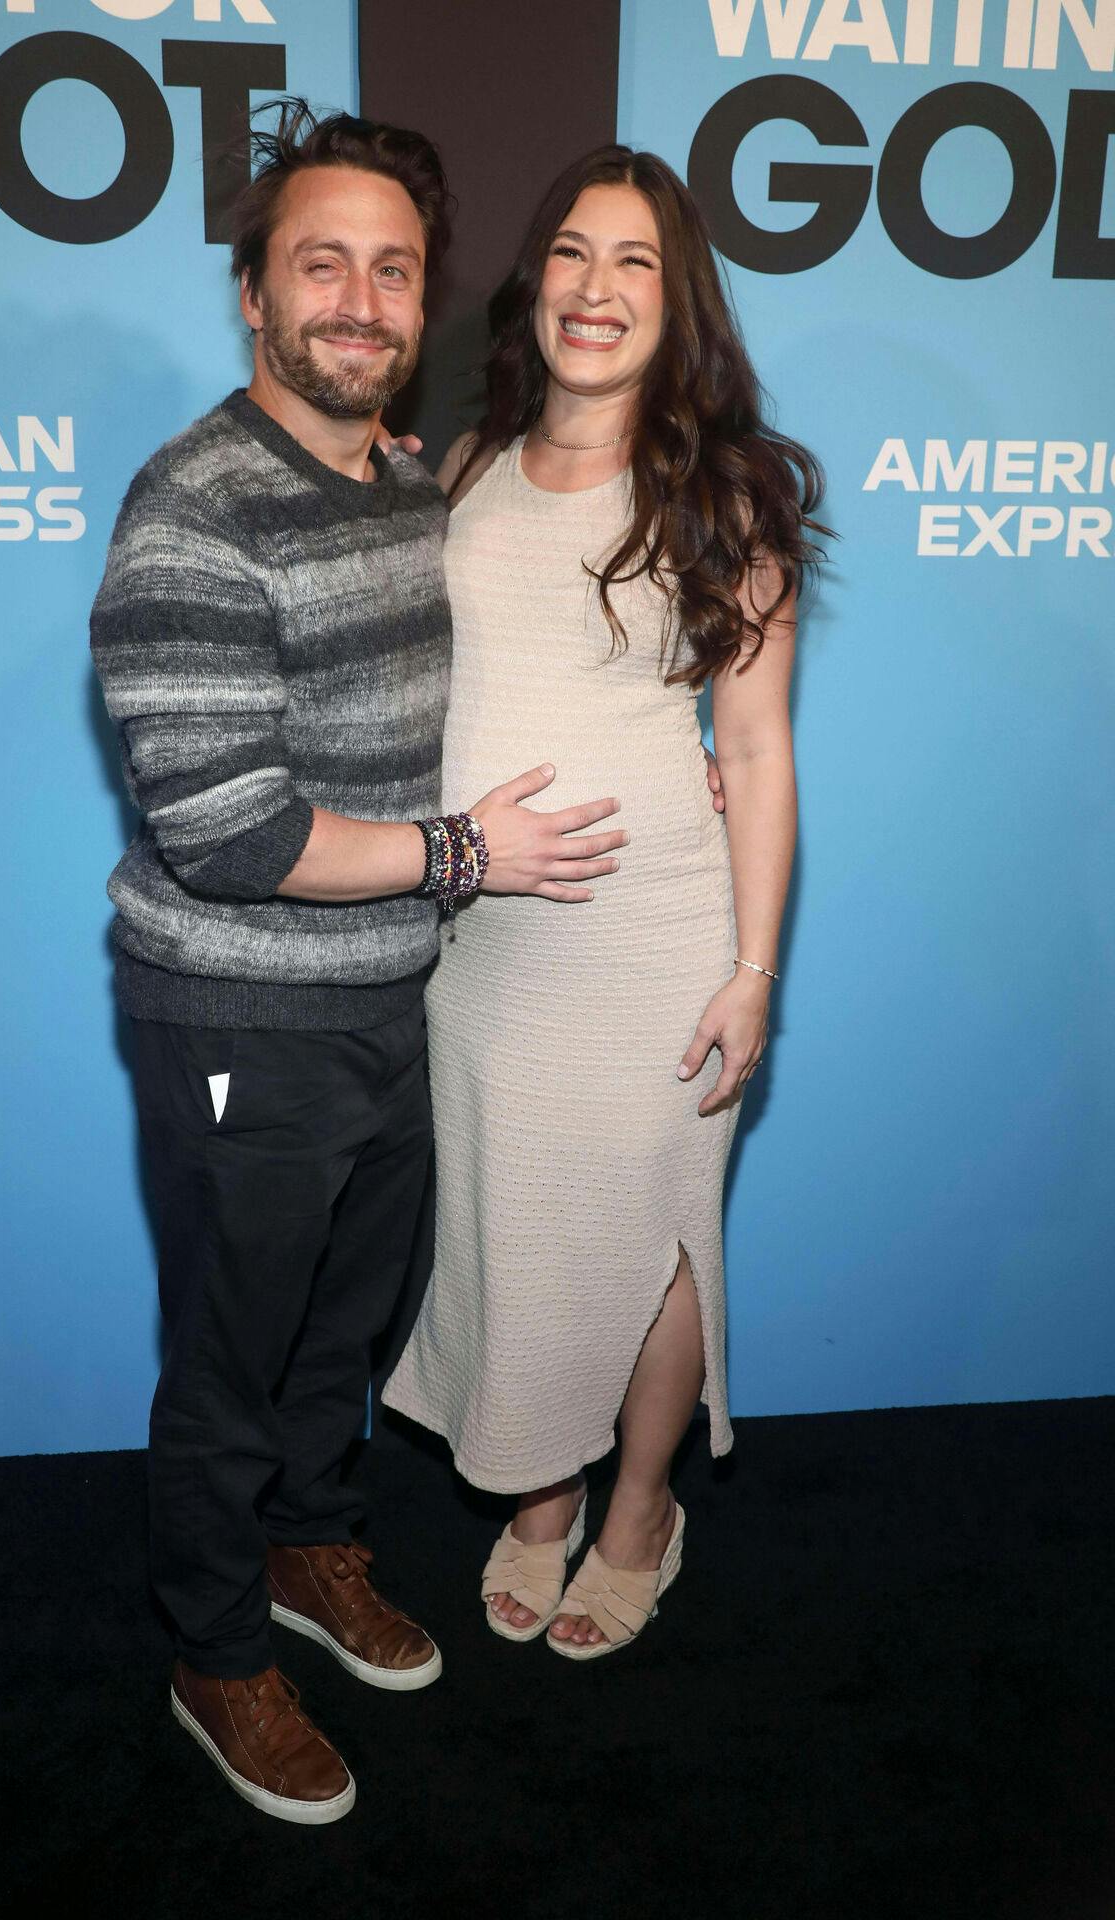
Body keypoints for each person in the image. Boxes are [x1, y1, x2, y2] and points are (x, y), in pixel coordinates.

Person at [89, 102, 626, 1823]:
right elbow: (227, 831)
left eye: (393, 269)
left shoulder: (404, 476)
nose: (359, 298)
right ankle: (212, 1651)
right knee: (234, 1361)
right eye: (320, 262)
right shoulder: (193, 506)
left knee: (347, 1333)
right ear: (254, 294)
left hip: (387, 999)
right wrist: (472, 859)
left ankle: (316, 1553)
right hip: (241, 1006)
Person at [383, 145, 824, 1658]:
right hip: (483, 952)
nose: (597, 287)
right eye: (574, 252)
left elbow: (756, 750)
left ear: (676, 297)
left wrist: (754, 967)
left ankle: (640, 1505)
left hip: (653, 946)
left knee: (656, 1236)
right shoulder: (466, 469)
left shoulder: (727, 496)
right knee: (518, 1233)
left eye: (636, 262)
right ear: (536, 281)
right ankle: (541, 1493)